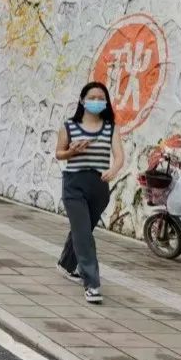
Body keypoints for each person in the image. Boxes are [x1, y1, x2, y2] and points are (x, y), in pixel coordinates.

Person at [55, 81, 124, 305]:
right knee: (83, 234)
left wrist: (113, 171)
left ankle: (66, 264)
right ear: (83, 101)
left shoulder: (110, 127)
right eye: (92, 97)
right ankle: (92, 284)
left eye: (101, 97)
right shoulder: (69, 126)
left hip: (98, 186)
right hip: (74, 183)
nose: (97, 101)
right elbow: (59, 153)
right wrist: (71, 151)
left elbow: (119, 156)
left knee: (82, 229)